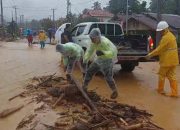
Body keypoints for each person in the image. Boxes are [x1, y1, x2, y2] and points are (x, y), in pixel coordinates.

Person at [82, 28, 118, 99]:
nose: (92, 40)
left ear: (98, 37)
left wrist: (103, 52)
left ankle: (114, 91)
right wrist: (85, 60)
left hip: (108, 60)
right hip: (99, 59)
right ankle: (84, 87)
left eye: (93, 38)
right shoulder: (93, 43)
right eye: (91, 38)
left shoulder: (105, 42)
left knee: (108, 77)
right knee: (89, 71)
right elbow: (89, 51)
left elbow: (113, 52)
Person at [146, 21, 179, 97]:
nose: (160, 32)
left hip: (166, 61)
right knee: (172, 76)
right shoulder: (171, 35)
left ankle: (160, 90)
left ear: (164, 29)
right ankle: (175, 93)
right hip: (174, 61)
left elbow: (159, 49)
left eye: (161, 31)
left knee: (161, 75)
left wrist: (150, 55)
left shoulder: (165, 38)